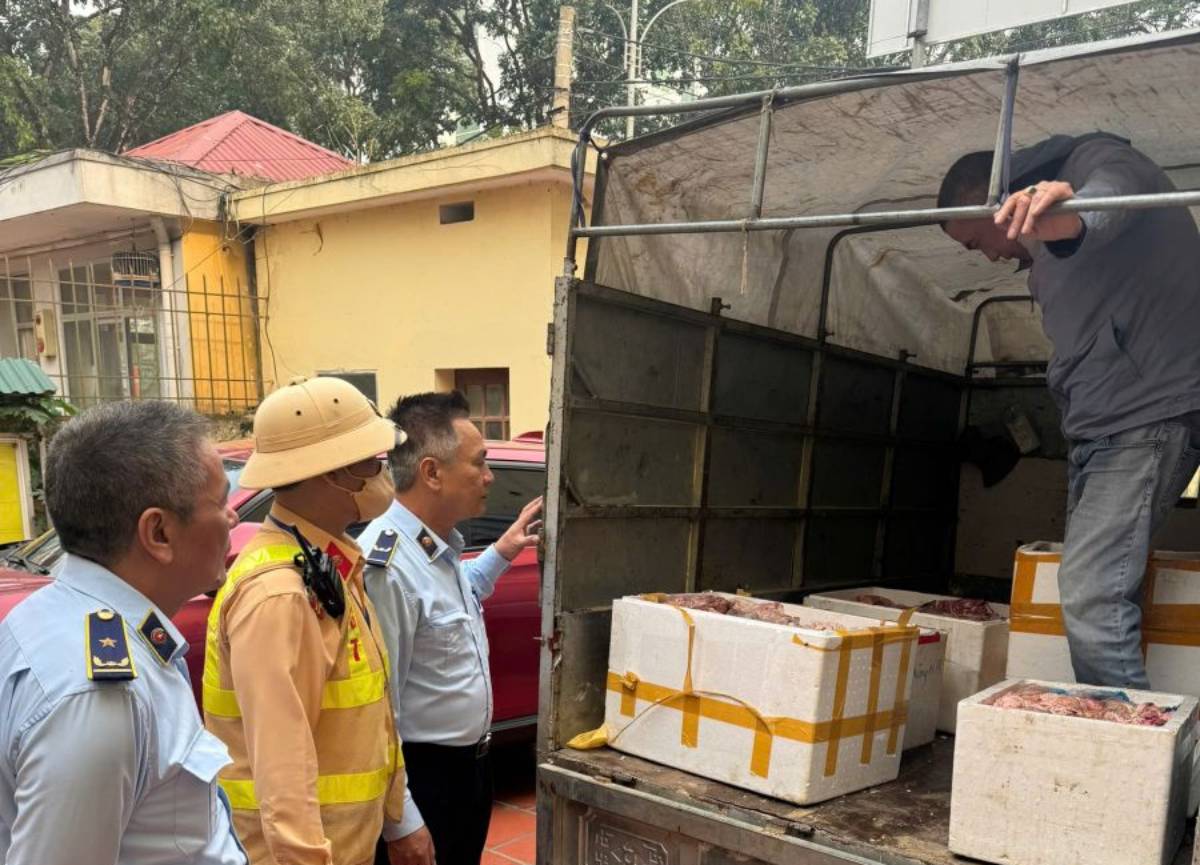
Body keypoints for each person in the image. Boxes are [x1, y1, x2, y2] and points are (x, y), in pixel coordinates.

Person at [939, 133, 1200, 688]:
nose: (986, 255)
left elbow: (1112, 196)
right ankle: (1121, 744)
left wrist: (1073, 217)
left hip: (1146, 418)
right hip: (1099, 427)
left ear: (990, 199)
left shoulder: (1097, 161)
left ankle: (1135, 758)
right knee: (1095, 590)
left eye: (974, 242)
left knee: (1090, 593)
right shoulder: (1037, 258)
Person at [0, 401, 246, 865]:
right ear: (159, 533)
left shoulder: (66, 618)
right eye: (219, 502)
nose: (232, 518)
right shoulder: (99, 696)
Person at [203, 377, 408, 865]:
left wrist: (398, 818)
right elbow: (282, 770)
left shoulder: (323, 560)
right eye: (371, 462)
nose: (383, 473)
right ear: (330, 473)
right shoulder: (279, 593)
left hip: (347, 845)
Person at [359, 392, 542, 865]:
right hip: (425, 781)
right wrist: (402, 822)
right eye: (479, 463)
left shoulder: (434, 547)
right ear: (431, 473)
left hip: (470, 772)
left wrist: (502, 551)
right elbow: (379, 713)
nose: (489, 476)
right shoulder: (388, 566)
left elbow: (453, 605)